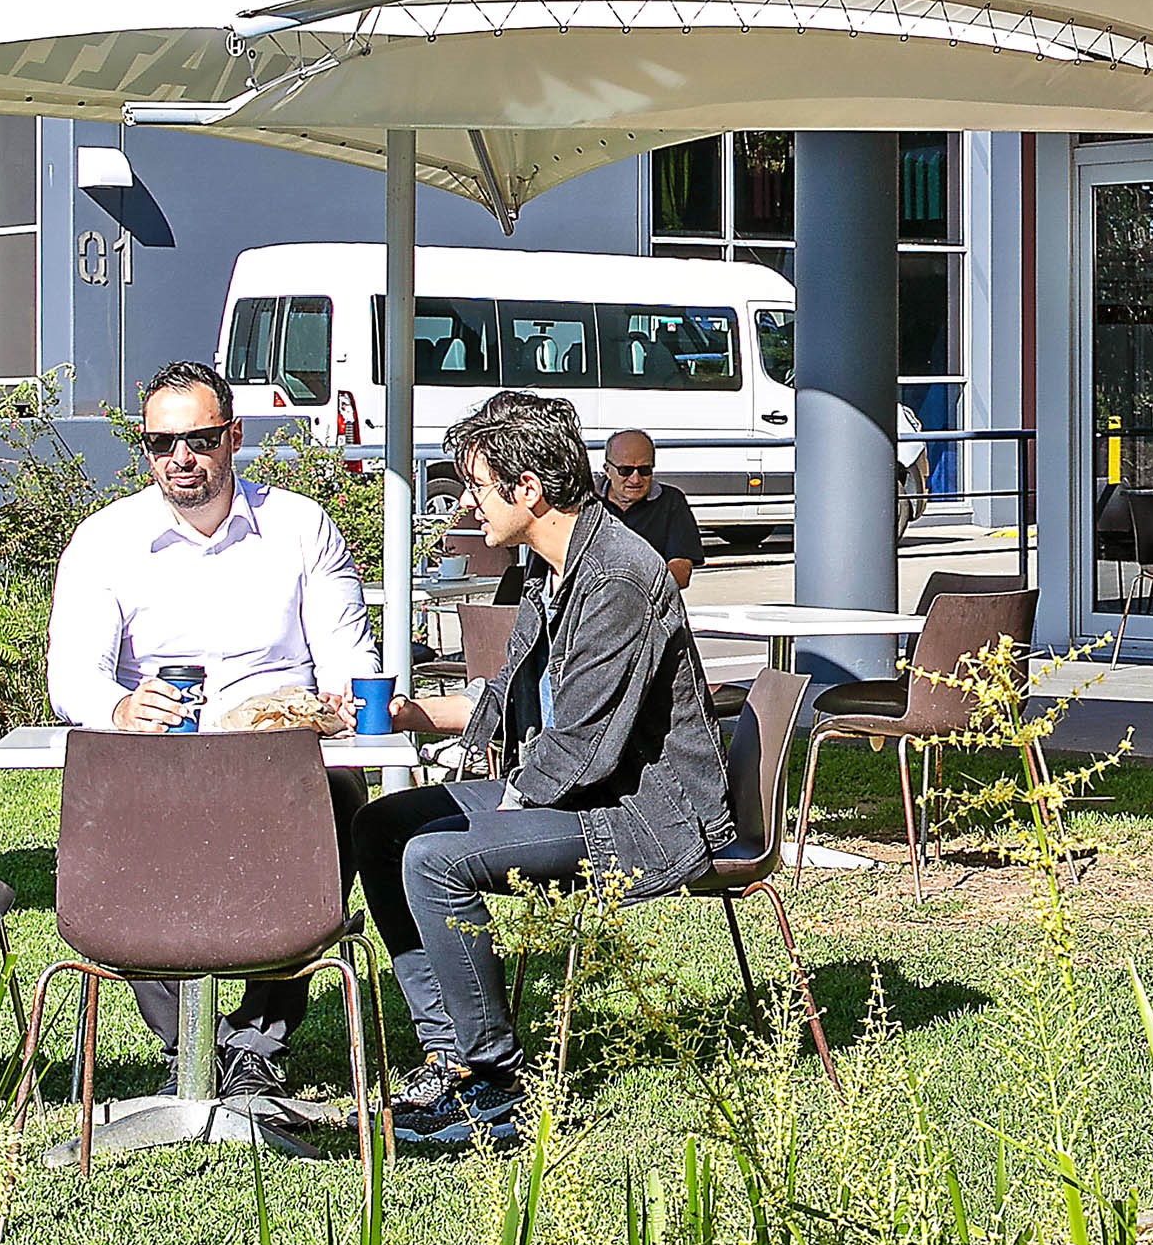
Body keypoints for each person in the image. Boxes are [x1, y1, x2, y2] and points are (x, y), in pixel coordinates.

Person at [357, 388, 729, 1154]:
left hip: (641, 811)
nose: (468, 502)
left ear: (526, 488)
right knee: (383, 827)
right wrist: (408, 714)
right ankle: (450, 1056)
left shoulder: (618, 575)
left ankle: (497, 1088)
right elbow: (511, 693)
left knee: (434, 857)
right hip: (581, 787)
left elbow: (584, 744)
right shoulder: (550, 566)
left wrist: (502, 807)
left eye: (476, 485)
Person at [46, 360, 383, 1095]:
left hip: (279, 761)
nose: (180, 458)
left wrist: (333, 701)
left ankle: (258, 1037)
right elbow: (73, 678)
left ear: (233, 436)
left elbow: (349, 656)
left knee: (341, 795)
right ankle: (194, 1043)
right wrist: (119, 710)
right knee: (105, 816)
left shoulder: (299, 527)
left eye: (199, 439)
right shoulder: (106, 541)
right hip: (157, 762)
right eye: (160, 443)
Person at [499, 426, 704, 598]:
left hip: (649, 602)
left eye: (644, 470)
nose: (635, 479)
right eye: (625, 470)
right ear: (607, 470)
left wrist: (632, 591)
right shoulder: (582, 502)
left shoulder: (671, 501)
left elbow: (681, 569)